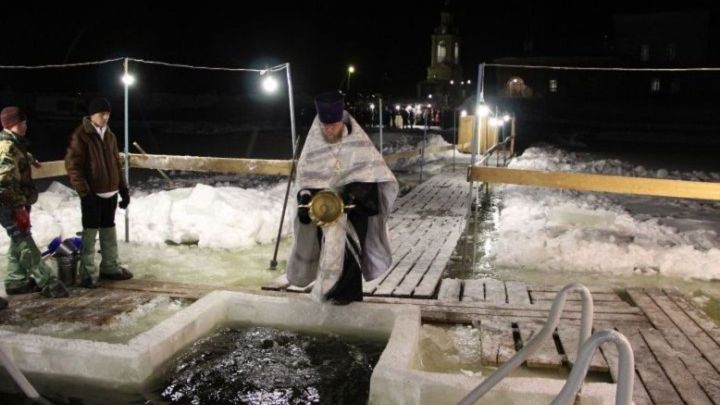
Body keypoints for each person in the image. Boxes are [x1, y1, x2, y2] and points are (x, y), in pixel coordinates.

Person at [287, 91, 398, 305]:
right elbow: (305, 183)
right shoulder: (313, 147)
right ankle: (328, 302)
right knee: (327, 256)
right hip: (325, 216)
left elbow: (373, 177)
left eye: (334, 125)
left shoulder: (359, 144)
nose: (329, 130)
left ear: (341, 121)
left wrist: (352, 194)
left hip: (354, 216)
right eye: (325, 126)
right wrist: (304, 202)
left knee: (350, 263)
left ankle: (349, 304)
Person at [0, 106, 68, 298]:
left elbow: (17, 158)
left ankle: (16, 280)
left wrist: (30, 159)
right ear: (15, 124)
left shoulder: (15, 143)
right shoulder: (7, 147)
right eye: (24, 122)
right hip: (10, 204)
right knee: (24, 242)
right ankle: (48, 282)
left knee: (18, 241)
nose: (26, 126)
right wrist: (18, 207)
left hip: (18, 201)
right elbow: (3, 182)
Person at [65, 98, 132, 288]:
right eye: (101, 114)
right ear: (92, 115)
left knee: (108, 231)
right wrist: (85, 194)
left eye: (108, 114)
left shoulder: (109, 135)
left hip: (110, 193)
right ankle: (87, 272)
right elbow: (73, 167)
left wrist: (124, 190)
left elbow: (116, 165)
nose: (105, 117)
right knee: (90, 233)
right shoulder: (81, 135)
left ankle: (110, 267)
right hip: (92, 195)